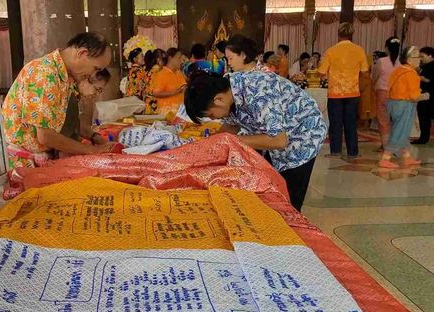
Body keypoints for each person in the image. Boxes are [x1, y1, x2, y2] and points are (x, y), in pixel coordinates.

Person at [185, 36, 326, 211]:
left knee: (288, 199)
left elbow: (278, 140)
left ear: (219, 99)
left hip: (303, 136)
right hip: (276, 135)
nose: (213, 119)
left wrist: (232, 142)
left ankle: (290, 232)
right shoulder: (228, 86)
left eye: (210, 114)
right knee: (270, 186)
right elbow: (231, 127)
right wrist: (211, 145)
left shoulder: (258, 92)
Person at [1, 32, 115, 169]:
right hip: (24, 164)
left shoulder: (68, 77)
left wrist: (95, 137)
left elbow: (69, 125)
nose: (92, 75)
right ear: (82, 53)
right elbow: (45, 136)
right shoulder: (45, 73)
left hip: (44, 158)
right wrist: (92, 151)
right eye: (96, 68)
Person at [318, 22, 369, 158]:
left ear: (338, 34)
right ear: (352, 34)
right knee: (351, 123)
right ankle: (353, 152)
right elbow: (364, 71)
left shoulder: (331, 51)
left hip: (335, 92)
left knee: (335, 123)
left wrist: (329, 76)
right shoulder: (359, 50)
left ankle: (335, 151)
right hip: (353, 92)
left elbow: (322, 71)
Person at [379, 46, 423, 168]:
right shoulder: (412, 74)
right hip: (405, 105)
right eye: (417, 57)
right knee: (400, 132)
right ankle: (385, 158)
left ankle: (407, 156)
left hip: (393, 104)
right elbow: (415, 96)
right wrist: (425, 95)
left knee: (401, 130)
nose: (419, 59)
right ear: (409, 60)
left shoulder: (398, 70)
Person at [372, 37, 401, 149]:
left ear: (387, 48)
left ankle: (386, 146)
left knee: (383, 120)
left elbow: (374, 76)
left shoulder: (381, 61)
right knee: (395, 120)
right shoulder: (402, 63)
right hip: (398, 94)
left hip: (382, 93)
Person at [150, 47, 187, 115]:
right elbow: (156, 93)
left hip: (180, 114)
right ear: (170, 58)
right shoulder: (162, 74)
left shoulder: (179, 73)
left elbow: (184, 88)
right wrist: (173, 93)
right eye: (179, 58)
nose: (181, 61)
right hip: (166, 114)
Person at [412, 47, 434, 144]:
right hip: (423, 95)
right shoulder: (423, 66)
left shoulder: (431, 66)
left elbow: (428, 80)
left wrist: (418, 77)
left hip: (429, 95)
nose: (421, 58)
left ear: (430, 56)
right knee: (424, 118)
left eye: (422, 56)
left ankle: (424, 138)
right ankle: (423, 138)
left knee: (425, 117)